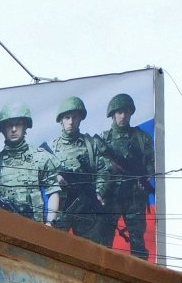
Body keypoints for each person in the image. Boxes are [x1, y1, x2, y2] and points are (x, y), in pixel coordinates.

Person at [45, 96, 111, 245]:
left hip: (86, 208)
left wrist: (99, 192)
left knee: (89, 250)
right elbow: (43, 174)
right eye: (67, 117)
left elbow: (104, 170)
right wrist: (55, 177)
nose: (71, 122)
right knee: (54, 246)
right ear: (61, 120)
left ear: (80, 119)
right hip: (62, 206)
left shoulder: (91, 145)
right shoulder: (52, 148)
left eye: (75, 117)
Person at [97, 93, 156, 258]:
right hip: (111, 196)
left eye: (126, 112)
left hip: (135, 196)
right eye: (119, 112)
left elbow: (151, 162)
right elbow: (98, 167)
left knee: (138, 243)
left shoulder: (142, 138)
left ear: (131, 113)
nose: (123, 116)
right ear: (113, 114)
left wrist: (146, 177)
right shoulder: (104, 139)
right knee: (104, 241)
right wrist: (110, 169)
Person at [0, 103, 55, 223]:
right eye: (9, 125)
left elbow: (53, 191)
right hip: (2, 228)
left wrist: (50, 223)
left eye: (18, 124)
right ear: (3, 128)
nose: (14, 129)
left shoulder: (41, 157)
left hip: (36, 227)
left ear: (25, 126)